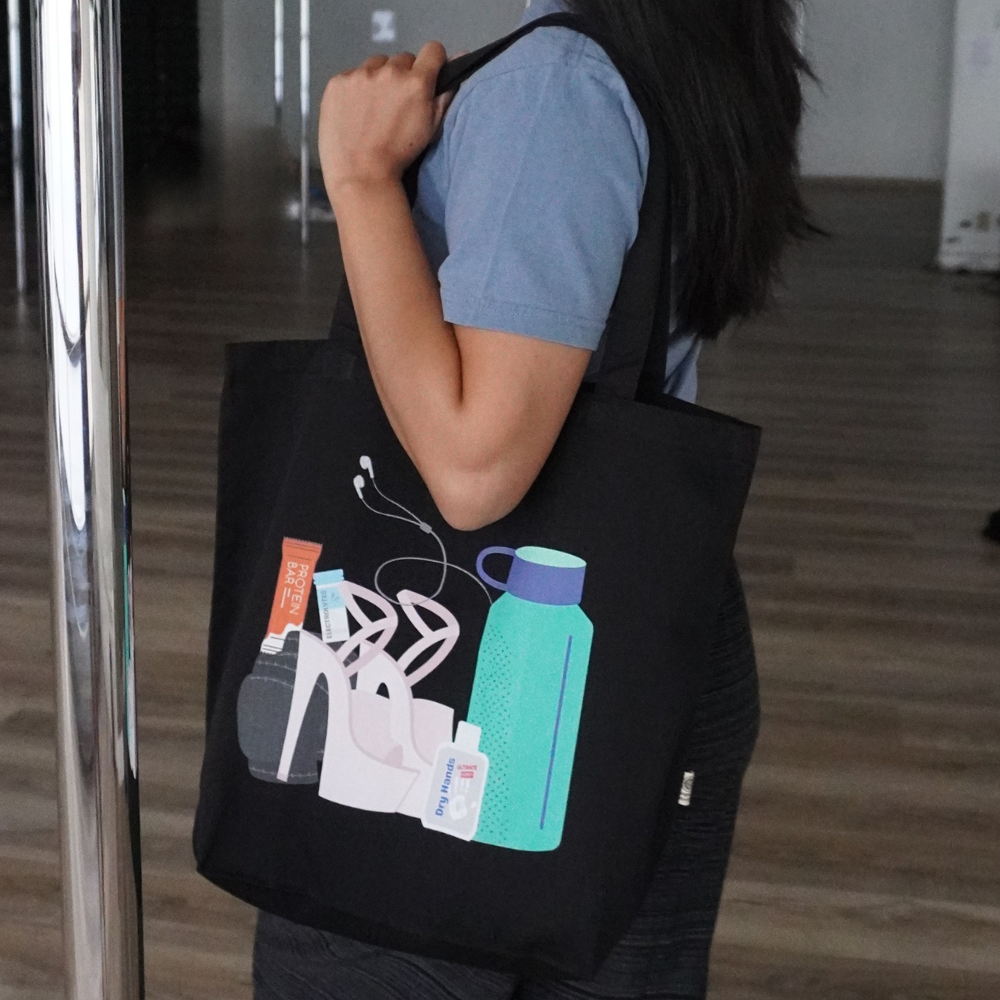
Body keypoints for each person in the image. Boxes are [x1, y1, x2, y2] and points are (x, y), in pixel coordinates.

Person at [253, 0, 811, 996]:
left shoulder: (554, 85)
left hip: (490, 673)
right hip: (636, 638)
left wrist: (359, 177)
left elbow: (473, 472)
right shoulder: (687, 45)